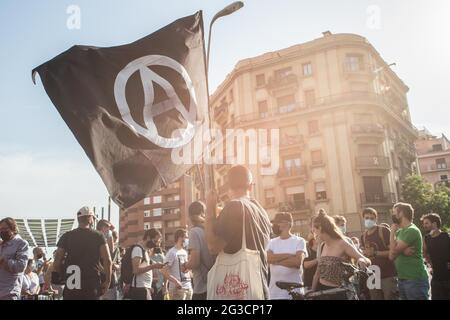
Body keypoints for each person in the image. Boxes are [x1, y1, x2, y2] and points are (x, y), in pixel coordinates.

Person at [206, 165, 272, 299]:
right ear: (251, 186)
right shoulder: (261, 210)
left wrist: (209, 209)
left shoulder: (234, 207)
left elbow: (213, 246)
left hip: (239, 293)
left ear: (228, 185)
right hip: (260, 287)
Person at [53, 206, 112, 300]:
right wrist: (108, 280)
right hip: (91, 285)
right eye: (93, 218)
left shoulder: (66, 236)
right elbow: (107, 260)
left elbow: (56, 262)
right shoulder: (98, 236)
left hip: (72, 283)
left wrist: (64, 276)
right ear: (89, 219)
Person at [312, 210, 371, 299]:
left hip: (341, 293)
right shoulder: (322, 245)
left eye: (314, 230)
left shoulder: (342, 243)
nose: (313, 233)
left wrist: (361, 260)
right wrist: (312, 292)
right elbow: (318, 271)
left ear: (320, 228)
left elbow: (366, 259)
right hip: (323, 292)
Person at [389, 202, 429, 300]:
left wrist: (392, 232)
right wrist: (402, 250)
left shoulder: (411, 230)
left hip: (414, 279)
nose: (393, 215)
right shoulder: (400, 231)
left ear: (401, 213)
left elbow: (393, 252)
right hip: (403, 279)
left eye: (394, 213)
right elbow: (391, 256)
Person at [360, 207, 398, 300]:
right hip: (372, 275)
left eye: (372, 218)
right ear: (363, 219)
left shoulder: (384, 231)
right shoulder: (363, 237)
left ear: (376, 219)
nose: (369, 220)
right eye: (367, 218)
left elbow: (394, 251)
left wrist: (375, 253)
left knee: (390, 297)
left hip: (387, 274)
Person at [267, 212, 307, 299]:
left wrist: (275, 260)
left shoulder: (300, 241)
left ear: (287, 223)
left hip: (295, 293)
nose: (275, 225)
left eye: (278, 222)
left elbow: (297, 262)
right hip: (274, 293)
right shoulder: (271, 242)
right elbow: (268, 259)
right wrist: (289, 255)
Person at [182, 201, 215, 300]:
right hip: (215, 284)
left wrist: (185, 265)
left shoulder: (194, 232)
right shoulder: (210, 230)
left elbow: (195, 262)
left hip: (202, 288)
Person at [127, 229, 165, 300]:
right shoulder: (138, 249)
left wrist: (149, 286)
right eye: (155, 241)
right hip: (140, 289)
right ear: (148, 237)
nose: (156, 244)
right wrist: (153, 266)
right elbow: (136, 270)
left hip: (144, 288)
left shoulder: (145, 251)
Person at [421, 213, 450, 300]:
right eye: (424, 223)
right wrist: (430, 264)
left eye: (426, 223)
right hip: (436, 278)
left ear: (434, 224)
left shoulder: (447, 236)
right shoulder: (426, 238)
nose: (424, 225)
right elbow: (424, 253)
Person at [0, 217, 29, 300]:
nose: (1, 231)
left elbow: (21, 266)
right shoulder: (1, 244)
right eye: (0, 229)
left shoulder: (21, 243)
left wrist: (4, 261)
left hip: (9, 293)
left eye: (4, 228)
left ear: (13, 228)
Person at [163, 229, 193, 300]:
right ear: (180, 237)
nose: (187, 239)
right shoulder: (171, 252)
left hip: (188, 287)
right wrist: (175, 282)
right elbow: (164, 270)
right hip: (177, 289)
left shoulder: (184, 252)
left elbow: (186, 270)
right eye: (185, 237)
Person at [146, 228, 166, 300]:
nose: (158, 242)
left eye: (159, 241)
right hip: (149, 287)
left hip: (159, 287)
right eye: (156, 241)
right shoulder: (146, 254)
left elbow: (165, 272)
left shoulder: (161, 256)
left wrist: (165, 287)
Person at [303, 216, 319, 291]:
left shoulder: (326, 244)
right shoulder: (307, 246)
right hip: (309, 285)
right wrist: (318, 259)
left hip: (323, 285)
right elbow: (305, 265)